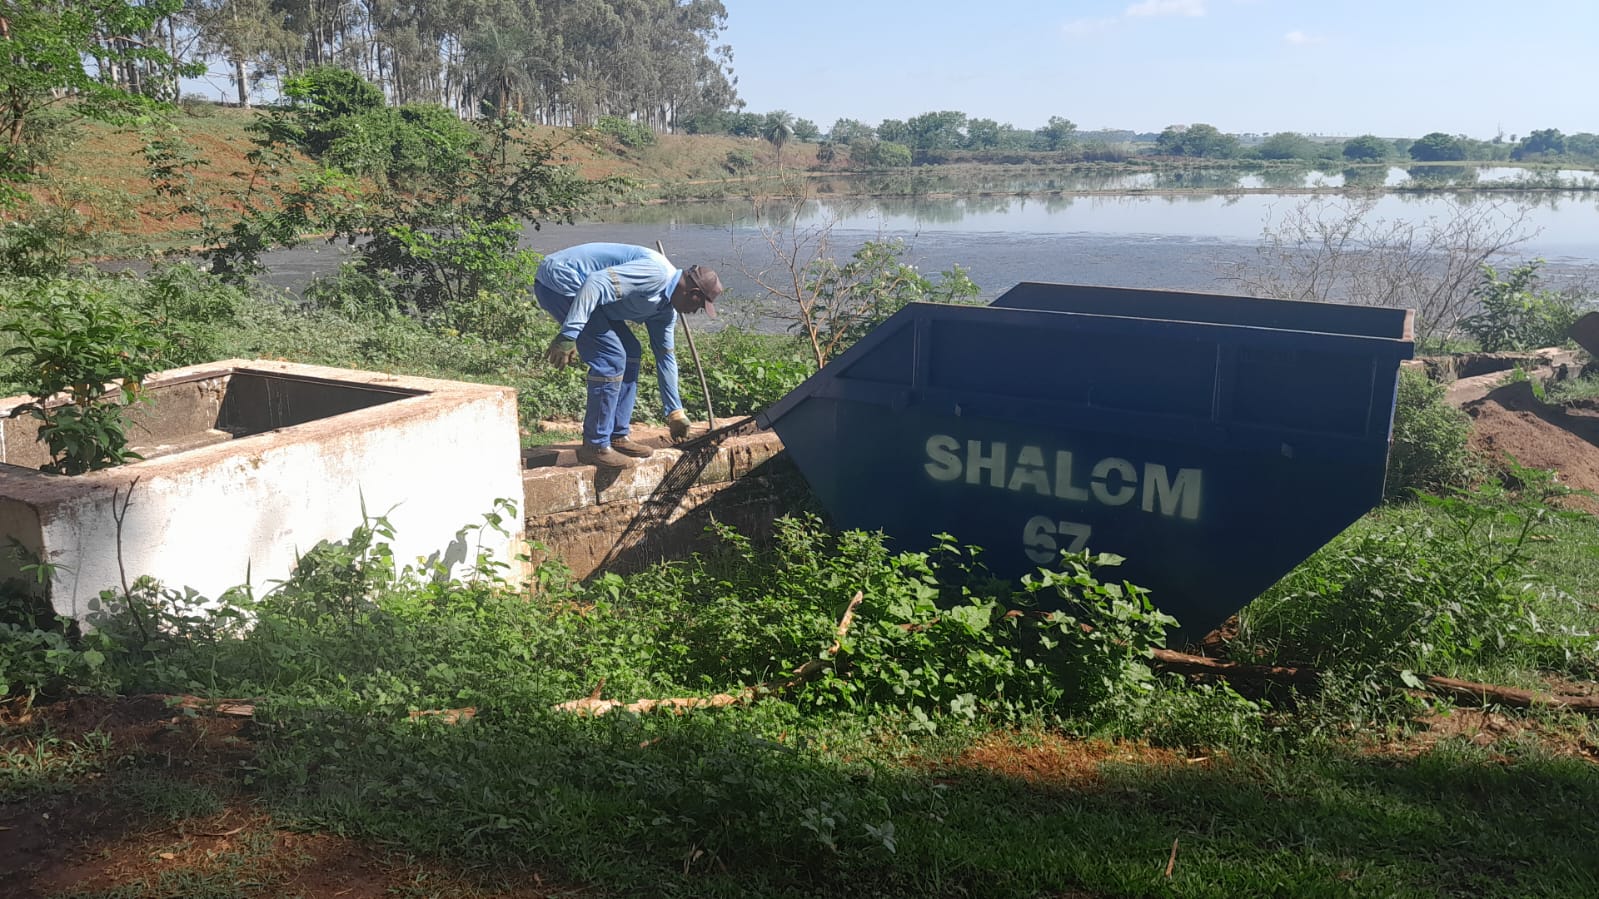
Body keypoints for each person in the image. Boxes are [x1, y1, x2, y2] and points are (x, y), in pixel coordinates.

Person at [533, 242, 723, 469]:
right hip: (560, 281)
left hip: (589, 293)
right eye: (700, 305)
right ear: (692, 293)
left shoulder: (664, 311)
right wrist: (569, 334)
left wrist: (675, 412)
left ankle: (616, 435)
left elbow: (665, 358)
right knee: (611, 357)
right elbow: (596, 283)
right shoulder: (656, 274)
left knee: (631, 351)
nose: (696, 311)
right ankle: (595, 445)